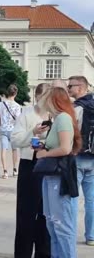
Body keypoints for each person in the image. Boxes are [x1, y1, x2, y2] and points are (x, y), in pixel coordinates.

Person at [36, 87, 81, 257]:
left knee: (61, 225)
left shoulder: (62, 118)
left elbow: (65, 148)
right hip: (52, 175)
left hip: (59, 176)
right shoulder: (59, 119)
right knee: (53, 223)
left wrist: (45, 153)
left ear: (53, 100)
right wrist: (44, 146)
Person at [11, 83, 51, 257]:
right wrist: (33, 132)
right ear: (37, 97)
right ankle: (22, 252)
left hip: (49, 163)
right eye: (44, 98)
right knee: (26, 213)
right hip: (30, 163)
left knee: (46, 213)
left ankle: (44, 252)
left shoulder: (55, 115)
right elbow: (15, 140)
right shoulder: (27, 114)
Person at [68, 75, 94, 246]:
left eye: (71, 86)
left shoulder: (76, 108)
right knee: (91, 200)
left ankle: (69, 233)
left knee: (72, 198)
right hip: (93, 157)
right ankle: (91, 236)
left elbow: (69, 131)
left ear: (80, 88)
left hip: (77, 156)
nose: (69, 89)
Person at [0, 84, 22, 179]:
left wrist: (1, 124)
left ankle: (5, 171)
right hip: (13, 129)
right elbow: (18, 119)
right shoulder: (17, 106)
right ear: (15, 93)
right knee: (14, 150)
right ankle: (15, 169)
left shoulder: (1, 104)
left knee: (4, 150)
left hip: (4, 129)